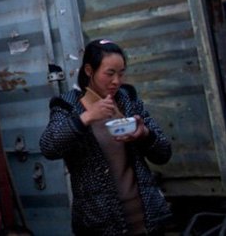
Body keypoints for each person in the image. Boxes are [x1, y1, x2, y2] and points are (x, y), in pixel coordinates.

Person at [39, 39, 172, 235]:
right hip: (99, 224)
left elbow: (164, 153)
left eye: (121, 73)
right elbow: (48, 146)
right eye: (109, 73)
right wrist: (86, 117)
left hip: (147, 218)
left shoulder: (128, 100)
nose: (116, 81)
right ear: (89, 71)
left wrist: (144, 134)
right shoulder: (67, 107)